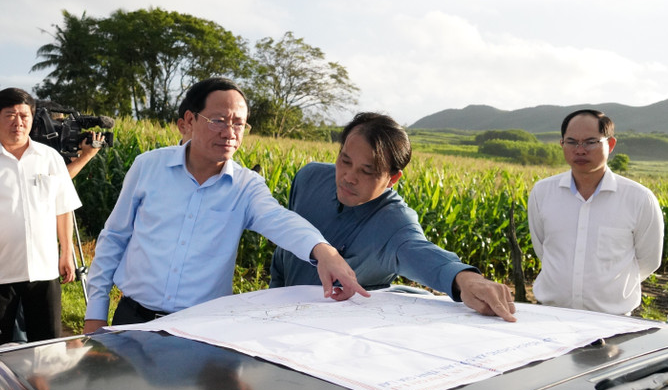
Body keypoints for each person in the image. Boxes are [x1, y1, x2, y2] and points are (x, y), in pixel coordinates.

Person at [83, 78, 368, 334]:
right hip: (133, 320)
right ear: (190, 120)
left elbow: (280, 220)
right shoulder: (148, 166)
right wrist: (95, 314)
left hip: (200, 330)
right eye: (218, 120)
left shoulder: (246, 186)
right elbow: (115, 237)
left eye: (239, 124)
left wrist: (325, 252)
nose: (230, 132)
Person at [269, 112, 516, 322]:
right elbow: (285, 249)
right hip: (274, 318)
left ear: (392, 178)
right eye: (345, 161)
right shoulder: (309, 179)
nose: (349, 177)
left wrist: (467, 280)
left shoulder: (394, 222)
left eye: (367, 171)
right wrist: (271, 300)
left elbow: (425, 255)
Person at [0, 88, 81, 344]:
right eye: (10, 115)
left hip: (44, 272)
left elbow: (63, 208)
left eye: (24, 116)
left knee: (47, 348)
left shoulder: (50, 158)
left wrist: (67, 252)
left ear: (32, 118)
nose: (18, 122)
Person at [528, 109, 664, 315]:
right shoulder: (542, 192)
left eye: (590, 142)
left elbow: (648, 261)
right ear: (562, 144)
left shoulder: (639, 199)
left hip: (613, 320)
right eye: (572, 142)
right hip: (551, 315)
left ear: (611, 144)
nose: (580, 150)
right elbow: (543, 249)